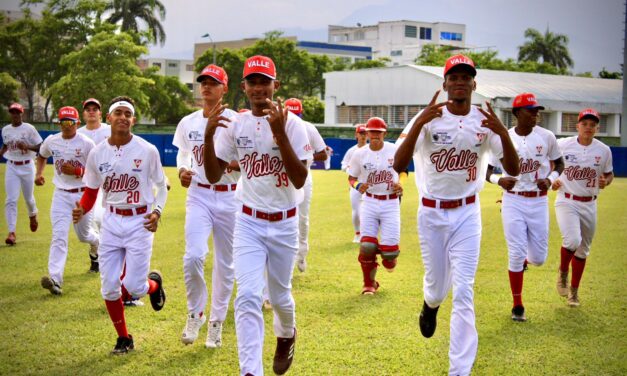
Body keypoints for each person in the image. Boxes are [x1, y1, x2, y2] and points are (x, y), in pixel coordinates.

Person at [394, 55, 519, 376]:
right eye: (454, 76)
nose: (460, 81)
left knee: (464, 289)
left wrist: (503, 133)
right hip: (432, 214)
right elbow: (397, 164)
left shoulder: (484, 120)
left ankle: (459, 371)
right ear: (445, 83)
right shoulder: (429, 117)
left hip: (467, 213)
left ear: (474, 84)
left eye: (466, 77)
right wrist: (420, 122)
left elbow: (515, 170)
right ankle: (430, 304)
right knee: (437, 289)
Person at [203, 55, 312, 376]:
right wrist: (208, 137)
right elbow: (212, 175)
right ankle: (250, 371)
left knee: (279, 297)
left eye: (265, 81)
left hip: (284, 221)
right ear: (243, 87)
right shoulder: (235, 125)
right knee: (248, 296)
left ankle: (287, 334)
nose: (259, 87)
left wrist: (279, 133)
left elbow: (299, 178)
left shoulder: (293, 124)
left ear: (275, 85)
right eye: (253, 81)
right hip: (248, 221)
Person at [72, 96, 168, 355]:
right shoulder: (97, 152)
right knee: (109, 286)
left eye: (128, 113)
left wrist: (157, 212)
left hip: (140, 222)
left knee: (136, 288)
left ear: (133, 120)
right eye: (118, 113)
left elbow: (162, 187)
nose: (123, 117)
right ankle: (124, 337)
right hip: (112, 222)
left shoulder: (147, 150)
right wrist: (82, 206)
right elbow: (92, 191)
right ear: (109, 118)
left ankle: (154, 285)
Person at [174, 64, 239, 348]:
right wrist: (182, 171)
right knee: (193, 257)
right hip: (199, 194)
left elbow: (246, 160)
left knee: (226, 264)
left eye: (213, 82)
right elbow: (184, 154)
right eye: (203, 81)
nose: (206, 86)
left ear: (224, 88)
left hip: (230, 196)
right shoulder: (188, 122)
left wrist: (230, 166)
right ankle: (195, 313)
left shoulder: (236, 121)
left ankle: (216, 322)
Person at [486, 93, 563, 321]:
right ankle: (517, 305)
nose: (535, 114)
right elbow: (487, 170)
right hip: (513, 200)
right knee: (516, 252)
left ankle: (525, 262)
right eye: (530, 110)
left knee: (538, 258)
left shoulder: (547, 136)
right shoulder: (503, 137)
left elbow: (560, 162)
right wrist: (498, 180)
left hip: (538, 200)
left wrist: (550, 179)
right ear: (517, 113)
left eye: (537, 110)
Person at [552, 108, 613, 307]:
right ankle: (562, 273)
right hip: (566, 199)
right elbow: (547, 160)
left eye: (592, 124)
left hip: (590, 203)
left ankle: (574, 293)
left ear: (597, 127)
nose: (588, 127)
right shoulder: (563, 144)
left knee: (583, 250)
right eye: (584, 124)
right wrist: (552, 177)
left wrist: (606, 181)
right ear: (577, 126)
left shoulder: (603, 150)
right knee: (572, 240)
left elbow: (609, 174)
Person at [36, 106, 99, 295]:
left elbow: (98, 172)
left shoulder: (87, 143)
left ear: (77, 123)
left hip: (83, 194)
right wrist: (39, 173)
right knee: (59, 236)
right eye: (63, 122)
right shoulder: (52, 141)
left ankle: (96, 242)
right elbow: (41, 155)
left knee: (83, 236)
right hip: (61, 194)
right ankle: (55, 279)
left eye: (70, 122)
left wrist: (78, 171)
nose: (67, 126)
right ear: (59, 123)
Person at [348, 117, 402, 295]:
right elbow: (351, 177)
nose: (375, 135)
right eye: (372, 132)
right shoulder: (359, 154)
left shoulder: (394, 150)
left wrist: (401, 184)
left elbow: (404, 171)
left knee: (390, 256)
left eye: (378, 132)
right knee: (367, 246)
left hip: (391, 202)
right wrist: (357, 186)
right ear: (367, 133)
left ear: (384, 133)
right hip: (369, 201)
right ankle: (369, 284)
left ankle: (388, 252)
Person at [284, 97, 328, 273]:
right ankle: (286, 256)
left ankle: (301, 253)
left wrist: (304, 158)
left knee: (302, 217)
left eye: (296, 114)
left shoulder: (308, 127)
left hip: (303, 177)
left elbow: (323, 154)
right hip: (281, 178)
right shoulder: (277, 126)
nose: (294, 117)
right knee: (283, 216)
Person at [77, 97, 111, 273]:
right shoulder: (79, 133)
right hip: (89, 184)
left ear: (100, 113)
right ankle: (95, 252)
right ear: (83, 114)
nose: (91, 111)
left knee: (102, 220)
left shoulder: (109, 130)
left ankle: (101, 259)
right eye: (88, 109)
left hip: (111, 183)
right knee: (95, 221)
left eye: (94, 109)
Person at [1, 103, 42, 245]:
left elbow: (40, 146)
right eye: (12, 112)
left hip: (27, 166)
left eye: (17, 112)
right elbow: (6, 145)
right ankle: (12, 232)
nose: (15, 114)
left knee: (28, 198)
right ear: (10, 114)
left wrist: (28, 146)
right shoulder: (5, 129)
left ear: (22, 114)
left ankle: (32, 214)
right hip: (11, 166)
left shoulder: (29, 129)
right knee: (11, 200)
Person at [341, 124, 368, 243]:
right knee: (357, 211)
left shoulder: (371, 149)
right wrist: (348, 168)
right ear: (356, 135)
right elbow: (343, 164)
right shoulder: (352, 151)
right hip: (355, 184)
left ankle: (367, 234)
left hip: (370, 186)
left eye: (365, 133)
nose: (363, 136)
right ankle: (357, 234)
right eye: (361, 133)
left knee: (370, 212)